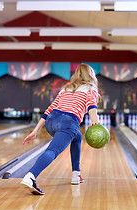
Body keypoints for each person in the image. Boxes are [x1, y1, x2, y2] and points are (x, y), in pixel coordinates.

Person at [21, 64, 100, 195]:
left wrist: (35, 131)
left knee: (77, 137)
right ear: (91, 75)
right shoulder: (90, 88)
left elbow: (49, 109)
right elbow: (91, 106)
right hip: (68, 122)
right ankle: (31, 176)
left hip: (51, 122)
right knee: (52, 151)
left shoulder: (66, 89)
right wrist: (95, 121)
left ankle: (76, 174)